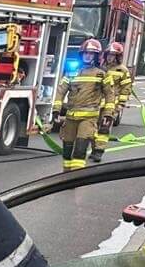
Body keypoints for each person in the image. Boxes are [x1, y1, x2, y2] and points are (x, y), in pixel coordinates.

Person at [55, 38, 112, 169]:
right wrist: (56, 110)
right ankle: (66, 175)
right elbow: (60, 92)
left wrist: (108, 114)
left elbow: (110, 95)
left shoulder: (101, 74)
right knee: (67, 151)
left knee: (80, 149)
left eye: (91, 53)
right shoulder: (71, 71)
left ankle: (76, 176)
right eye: (86, 53)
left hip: (88, 119)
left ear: (96, 56)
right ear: (81, 54)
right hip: (71, 117)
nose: (88, 56)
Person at [95, 41, 133, 163]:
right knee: (92, 128)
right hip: (96, 104)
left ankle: (98, 151)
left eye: (113, 55)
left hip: (111, 105)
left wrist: (120, 105)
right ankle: (94, 147)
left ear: (118, 56)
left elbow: (126, 89)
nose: (110, 57)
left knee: (104, 128)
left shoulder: (123, 70)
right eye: (109, 54)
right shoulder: (100, 67)